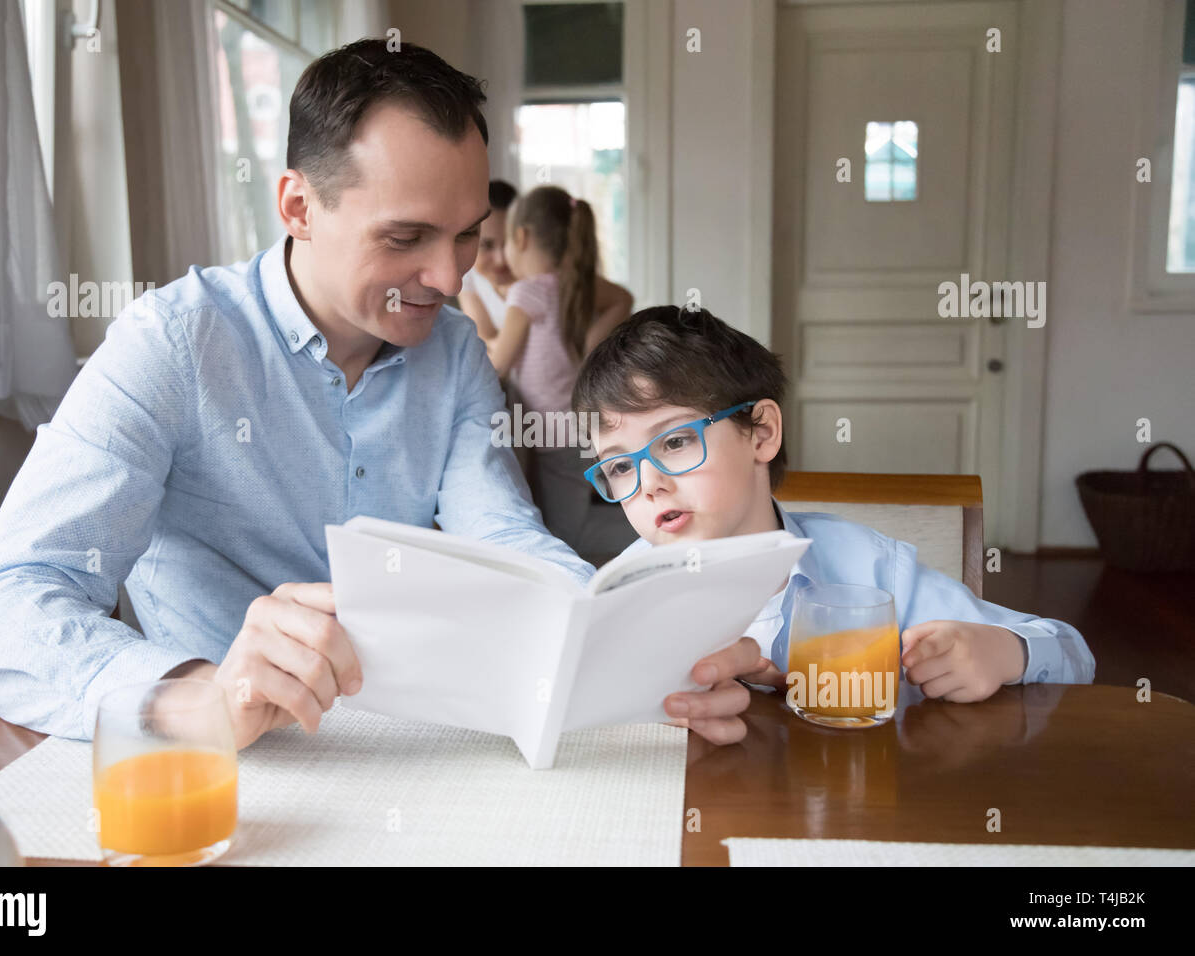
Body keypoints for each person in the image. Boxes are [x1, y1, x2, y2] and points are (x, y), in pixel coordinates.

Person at [0, 40, 752, 751]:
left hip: (422, 741)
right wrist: (198, 693)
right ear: (298, 206)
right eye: (406, 238)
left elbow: (502, 534)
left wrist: (635, 643)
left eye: (468, 232)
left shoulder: (457, 353)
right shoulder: (172, 344)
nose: (450, 277)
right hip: (233, 768)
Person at [571, 306, 1096, 743]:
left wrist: (1005, 651)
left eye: (675, 441)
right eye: (620, 465)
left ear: (761, 433)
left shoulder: (871, 570)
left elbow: (1072, 652)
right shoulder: (620, 591)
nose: (649, 483)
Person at [482, 185, 635, 558]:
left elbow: (499, 363)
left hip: (553, 436)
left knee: (565, 529)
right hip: (578, 428)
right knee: (566, 511)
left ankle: (633, 554)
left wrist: (478, 339)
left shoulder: (526, 293)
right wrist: (591, 343)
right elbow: (623, 299)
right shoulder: (571, 285)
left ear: (520, 237)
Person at [456, 179, 517, 343]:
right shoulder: (468, 277)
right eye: (486, 245)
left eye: (509, 244)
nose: (500, 259)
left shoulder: (542, 279)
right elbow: (484, 342)